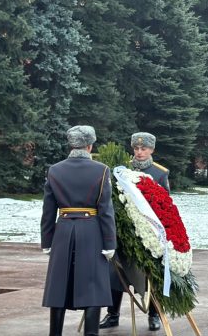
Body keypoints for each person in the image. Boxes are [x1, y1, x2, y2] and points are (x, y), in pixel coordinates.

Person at [41, 125, 117, 336]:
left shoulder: (54, 170)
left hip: (63, 229)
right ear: (90, 146)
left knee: (58, 285)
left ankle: (55, 333)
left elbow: (48, 210)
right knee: (93, 284)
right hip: (91, 230)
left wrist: (46, 241)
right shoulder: (101, 170)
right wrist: (110, 242)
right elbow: (105, 210)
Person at [100, 132, 168, 331]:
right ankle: (112, 314)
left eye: (144, 148)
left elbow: (165, 205)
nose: (139, 152)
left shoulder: (160, 173)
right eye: (136, 148)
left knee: (150, 275)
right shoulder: (122, 170)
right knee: (116, 273)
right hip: (123, 231)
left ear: (152, 150)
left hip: (148, 234)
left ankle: (153, 315)